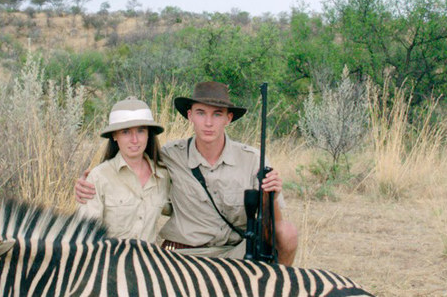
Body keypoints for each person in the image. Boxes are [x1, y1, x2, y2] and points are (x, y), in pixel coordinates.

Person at [76, 81, 299, 265]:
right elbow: (131, 165)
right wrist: (87, 184)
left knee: (287, 233)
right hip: (186, 257)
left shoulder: (252, 160)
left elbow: (275, 224)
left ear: (228, 118)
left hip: (236, 252)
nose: (208, 123)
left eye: (217, 114)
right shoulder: (171, 156)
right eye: (201, 113)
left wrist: (273, 193)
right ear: (190, 116)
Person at [76, 97, 171, 241]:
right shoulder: (98, 177)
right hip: (110, 261)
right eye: (126, 132)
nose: (134, 139)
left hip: (149, 261)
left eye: (141, 131)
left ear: (148, 134)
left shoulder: (163, 175)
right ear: (114, 135)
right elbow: (87, 237)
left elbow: (180, 209)